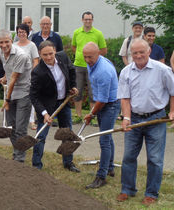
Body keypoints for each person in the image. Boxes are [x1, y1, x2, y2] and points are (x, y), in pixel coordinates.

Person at [116, 39, 174, 206]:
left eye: (142, 52)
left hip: (156, 119)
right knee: (128, 156)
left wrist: (172, 111)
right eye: (135, 53)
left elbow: (173, 91)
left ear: (149, 51)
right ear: (131, 55)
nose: (139, 55)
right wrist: (126, 118)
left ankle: (151, 193)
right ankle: (127, 189)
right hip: (134, 119)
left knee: (155, 159)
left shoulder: (162, 70)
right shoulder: (126, 72)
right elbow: (125, 98)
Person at [30, 40, 79, 172]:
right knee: (41, 136)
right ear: (40, 54)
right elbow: (34, 96)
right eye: (45, 55)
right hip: (46, 106)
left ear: (55, 51)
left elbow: (72, 70)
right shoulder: (38, 72)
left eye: (51, 54)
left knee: (67, 133)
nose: (49, 57)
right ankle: (36, 166)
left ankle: (68, 162)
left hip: (63, 102)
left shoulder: (62, 57)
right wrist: (44, 113)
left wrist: (73, 86)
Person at [82, 42, 120, 189]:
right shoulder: (93, 63)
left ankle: (101, 176)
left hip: (110, 105)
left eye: (90, 57)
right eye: (85, 57)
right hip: (104, 103)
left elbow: (103, 100)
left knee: (104, 141)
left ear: (98, 54)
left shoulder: (103, 71)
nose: (87, 60)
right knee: (107, 138)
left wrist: (91, 114)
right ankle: (110, 167)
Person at [0, 29, 33, 162]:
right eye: (1, 42)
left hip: (24, 94)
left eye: (7, 42)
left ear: (11, 41)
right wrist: (4, 77)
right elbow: (9, 73)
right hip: (11, 93)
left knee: (20, 128)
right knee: (11, 127)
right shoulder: (1, 52)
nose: (4, 45)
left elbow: (14, 78)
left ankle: (19, 160)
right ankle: (18, 151)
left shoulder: (21, 55)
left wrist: (6, 100)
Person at [72, 11, 107, 123]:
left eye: (89, 19)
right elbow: (74, 47)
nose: (87, 21)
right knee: (77, 92)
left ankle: (92, 117)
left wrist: (93, 59)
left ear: (92, 20)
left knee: (93, 93)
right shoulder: (76, 32)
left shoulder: (98, 34)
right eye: (86, 19)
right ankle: (78, 115)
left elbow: (104, 50)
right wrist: (80, 56)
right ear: (82, 20)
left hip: (93, 68)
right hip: (78, 66)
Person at [14, 23, 39, 130]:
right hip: (16, 76)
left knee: (29, 99)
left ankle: (32, 121)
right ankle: (17, 120)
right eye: (19, 32)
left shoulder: (32, 45)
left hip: (28, 77)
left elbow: (36, 60)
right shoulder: (14, 45)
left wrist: (33, 74)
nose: (21, 34)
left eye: (23, 32)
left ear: (27, 33)